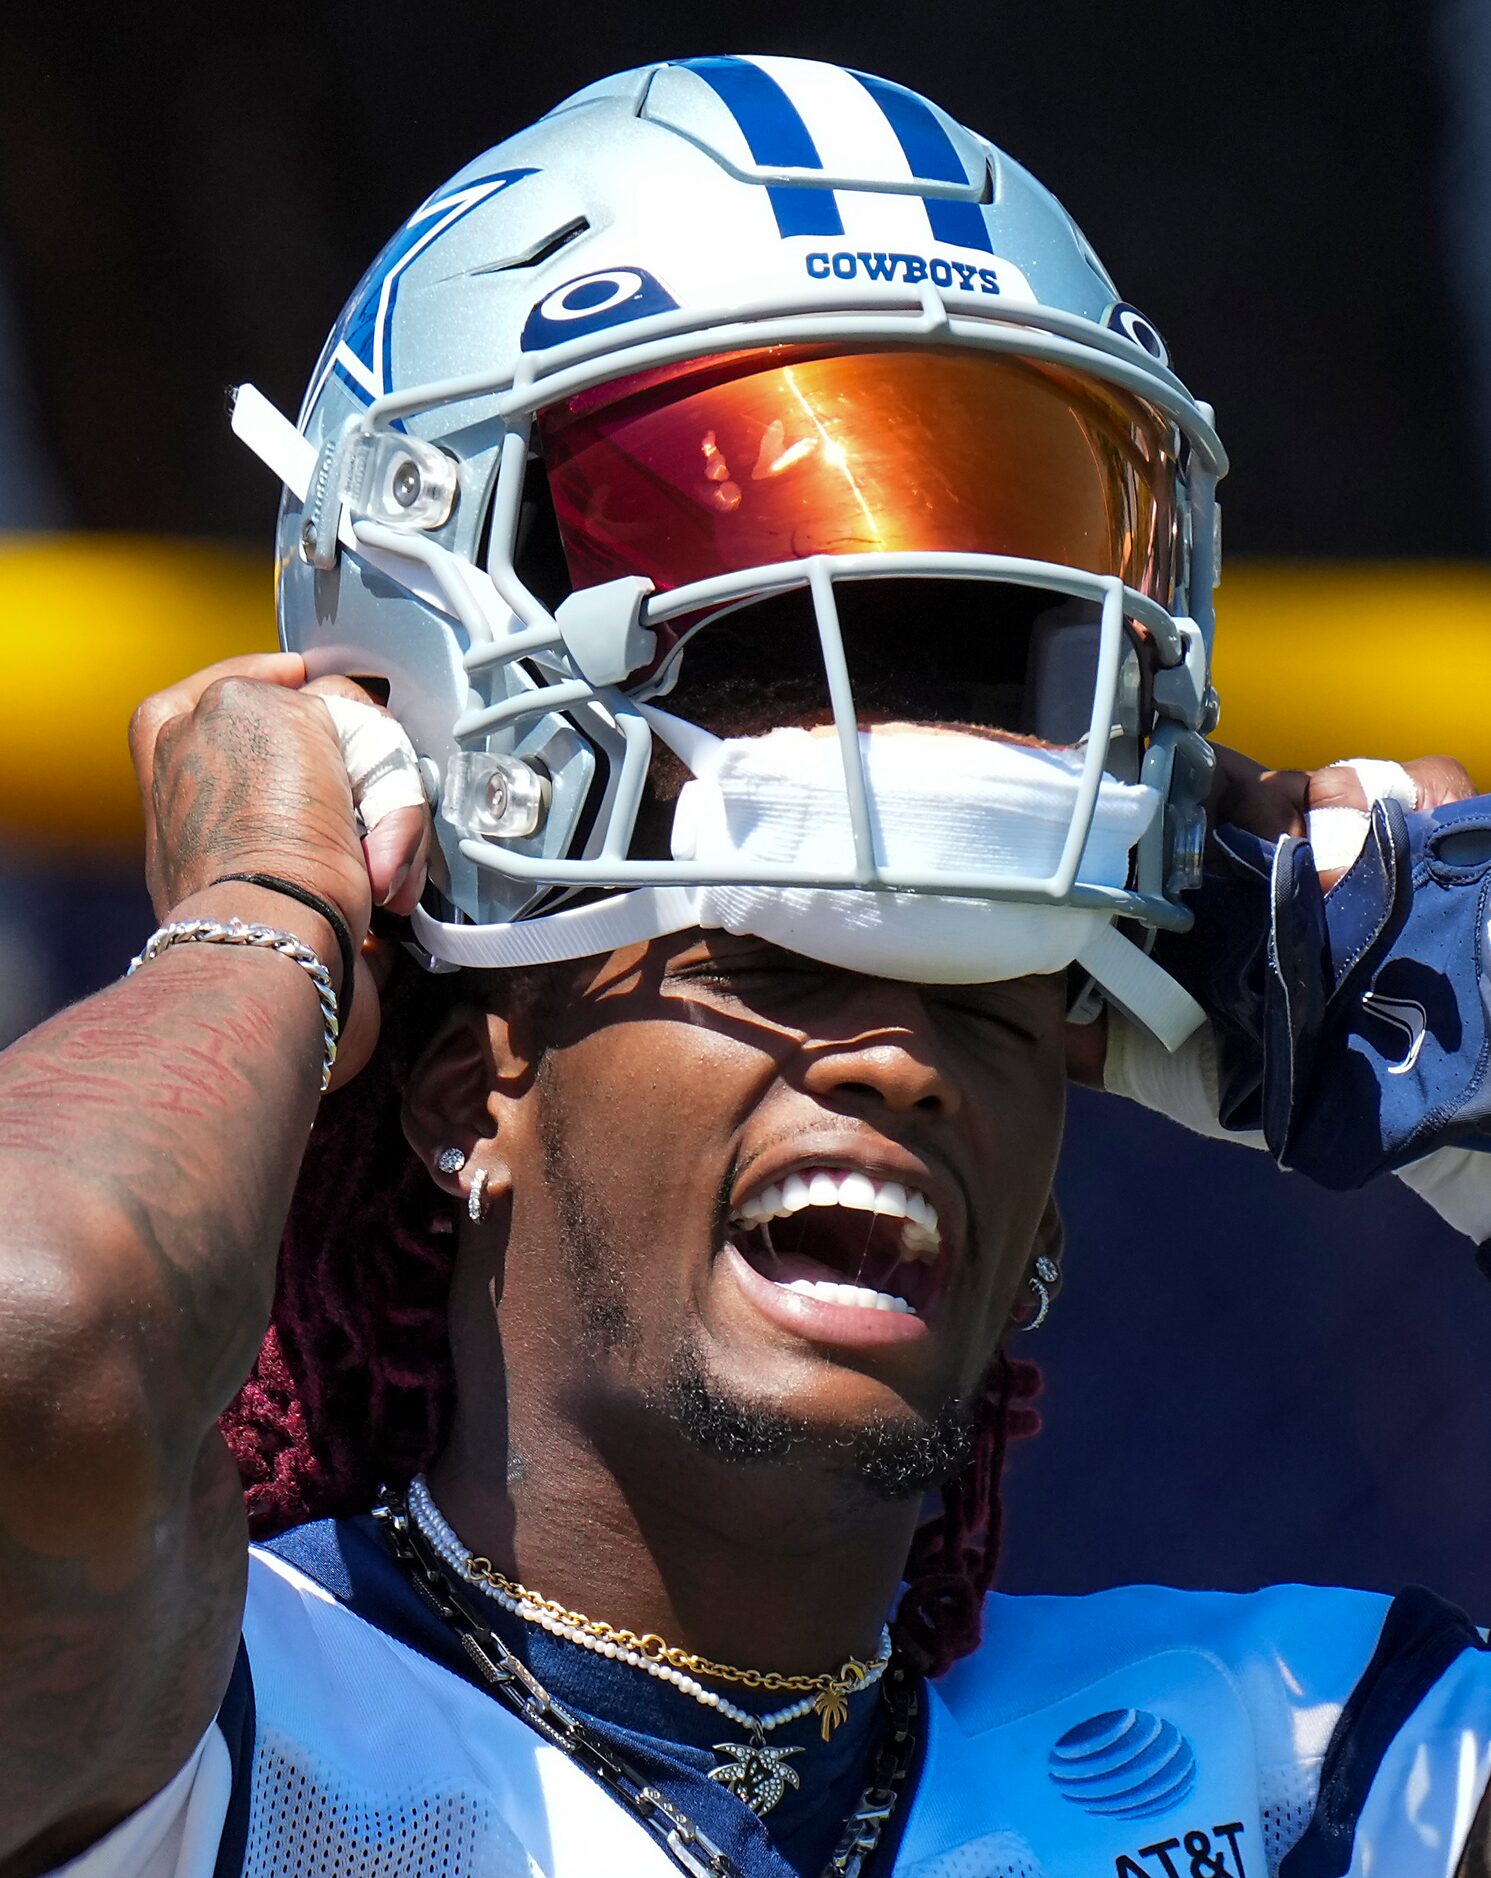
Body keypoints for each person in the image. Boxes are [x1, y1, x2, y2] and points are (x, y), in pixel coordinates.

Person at [5, 53, 1491, 1878]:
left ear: (1047, 1207)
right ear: (471, 1090)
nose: (896, 1063)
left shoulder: (1301, 1770)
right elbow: (36, 1333)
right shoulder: (202, 1732)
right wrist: (266, 899)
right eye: (779, 953)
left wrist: (1467, 1041)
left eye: (985, 984)